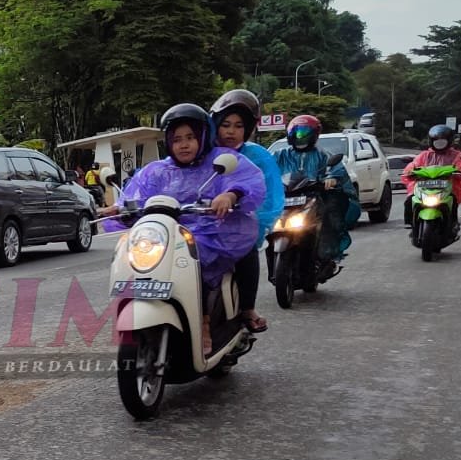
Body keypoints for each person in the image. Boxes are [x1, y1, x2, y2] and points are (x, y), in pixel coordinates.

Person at [101, 103, 265, 355]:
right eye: (176, 139)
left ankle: (204, 322)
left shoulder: (219, 161)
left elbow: (244, 181)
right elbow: (136, 196)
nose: (184, 144)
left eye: (190, 137)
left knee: (194, 263)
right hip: (163, 234)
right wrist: (119, 208)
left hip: (210, 231)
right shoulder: (156, 171)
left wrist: (230, 196)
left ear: (203, 137)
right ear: (168, 141)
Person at [210, 88, 282, 334]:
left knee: (247, 249)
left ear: (248, 128)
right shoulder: (200, 152)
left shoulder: (257, 156)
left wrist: (247, 213)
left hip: (238, 223)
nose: (231, 131)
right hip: (201, 223)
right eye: (226, 124)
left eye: (239, 125)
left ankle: (247, 308)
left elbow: (267, 194)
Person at [273, 115, 359, 269]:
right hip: (284, 198)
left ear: (315, 134)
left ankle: (324, 256)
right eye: (297, 132)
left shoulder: (323, 155)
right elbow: (265, 169)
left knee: (328, 218)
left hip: (312, 198)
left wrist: (331, 178)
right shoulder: (280, 155)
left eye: (304, 133)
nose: (300, 136)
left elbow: (336, 169)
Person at [402, 124, 461, 231]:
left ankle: (453, 223)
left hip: (447, 186)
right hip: (424, 186)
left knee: (453, 199)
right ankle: (409, 221)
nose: (440, 144)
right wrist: (409, 172)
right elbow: (413, 165)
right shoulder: (424, 155)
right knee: (410, 199)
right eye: (437, 141)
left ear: (449, 141)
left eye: (442, 141)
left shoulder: (456, 155)